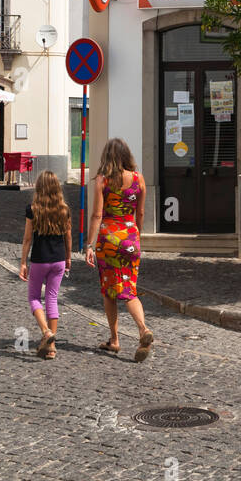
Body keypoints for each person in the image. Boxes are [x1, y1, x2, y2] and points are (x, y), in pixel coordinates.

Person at [85, 137, 152, 361]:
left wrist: (89, 244)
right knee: (129, 290)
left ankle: (114, 339)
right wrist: (136, 235)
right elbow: (140, 213)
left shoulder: (103, 180)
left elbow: (96, 214)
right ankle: (142, 328)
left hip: (108, 241)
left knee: (109, 291)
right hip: (130, 238)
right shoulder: (138, 179)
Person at [20, 171, 73, 360]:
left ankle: (46, 332)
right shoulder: (64, 209)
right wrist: (68, 258)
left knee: (34, 298)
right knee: (52, 298)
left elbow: (27, 239)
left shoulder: (33, 209)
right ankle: (52, 348)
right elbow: (68, 237)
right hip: (58, 260)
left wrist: (23, 263)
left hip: (40, 259)